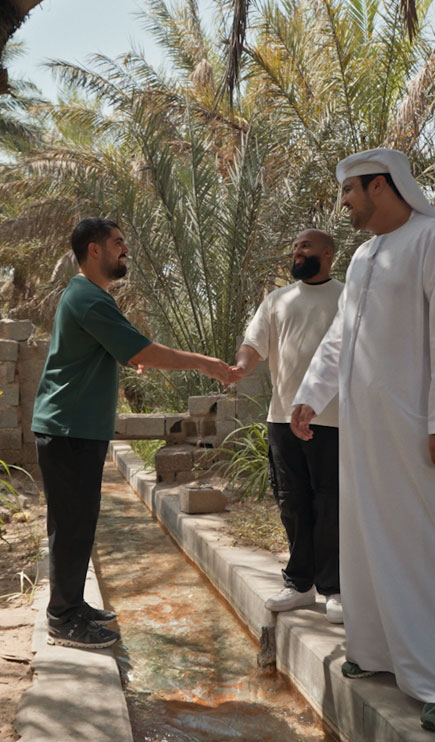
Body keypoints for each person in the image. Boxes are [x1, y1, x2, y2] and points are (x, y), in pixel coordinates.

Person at [290, 148, 435, 733]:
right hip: (367, 433)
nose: (344, 204)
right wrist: (311, 394)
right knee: (369, 539)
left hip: (420, 431)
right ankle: (379, 653)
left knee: (432, 547)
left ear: (380, 185)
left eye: (350, 192)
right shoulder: (363, 255)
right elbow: (340, 339)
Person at [33, 217, 236, 649]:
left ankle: (73, 604)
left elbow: (120, 348)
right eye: (118, 243)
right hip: (68, 428)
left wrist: (131, 354)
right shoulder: (88, 297)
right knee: (70, 524)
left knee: (79, 521)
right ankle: (63, 618)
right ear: (94, 250)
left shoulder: (90, 296)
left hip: (74, 429)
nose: (126, 250)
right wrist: (205, 362)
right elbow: (140, 349)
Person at [232, 229, 345, 624]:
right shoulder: (277, 300)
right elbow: (254, 343)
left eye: (306, 247)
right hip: (281, 417)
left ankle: (334, 588)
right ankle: (299, 584)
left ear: (327, 253)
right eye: (294, 246)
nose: (297, 252)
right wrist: (241, 367)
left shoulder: (346, 297)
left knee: (330, 501)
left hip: (332, 420)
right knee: (292, 500)